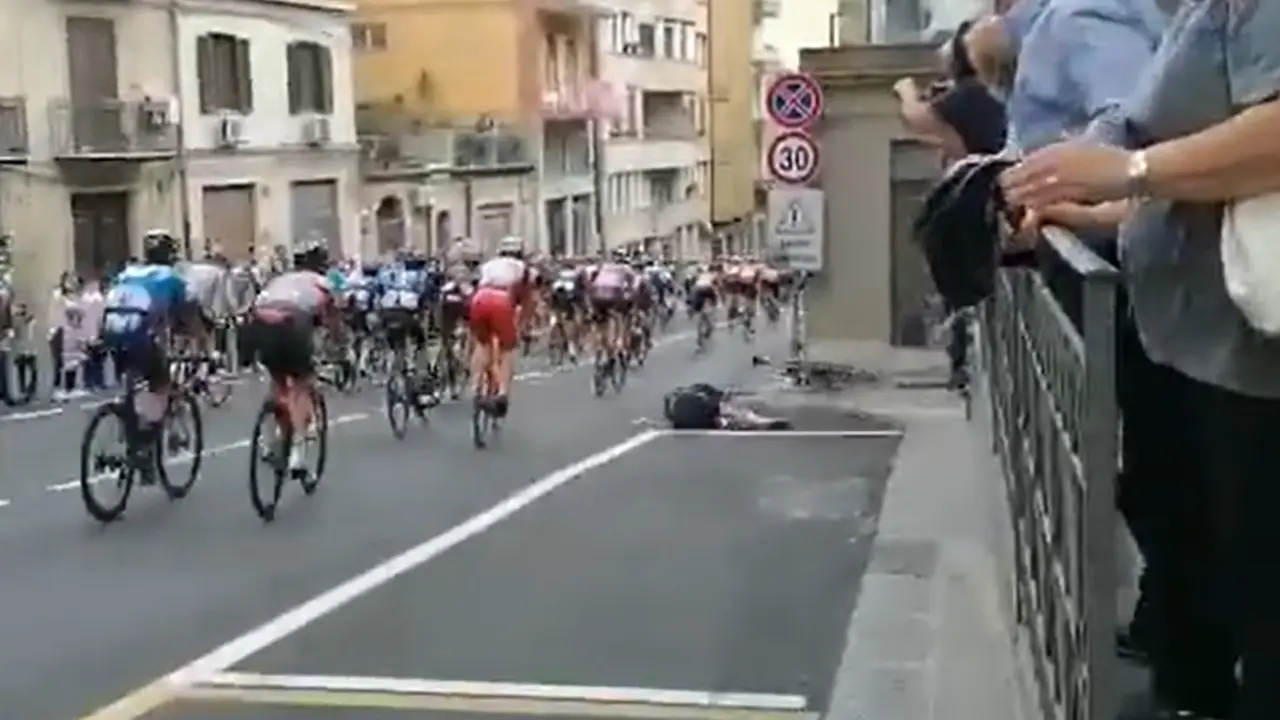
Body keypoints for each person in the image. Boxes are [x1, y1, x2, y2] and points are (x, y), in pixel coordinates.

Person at [1001, 4, 1280, 717]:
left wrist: (1129, 168)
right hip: (1200, 351)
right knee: (1207, 576)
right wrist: (1086, 206)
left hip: (1251, 363)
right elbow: (1185, 183)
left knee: (1259, 614)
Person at [99, 231, 189, 481]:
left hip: (112, 335)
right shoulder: (171, 277)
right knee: (161, 386)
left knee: (133, 385)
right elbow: (185, 317)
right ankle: (145, 444)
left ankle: (132, 436)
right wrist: (195, 343)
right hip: (142, 340)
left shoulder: (126, 273)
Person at [244, 241, 337, 479]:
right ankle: (298, 452)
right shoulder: (322, 282)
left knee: (277, 378)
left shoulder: (279, 280)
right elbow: (333, 323)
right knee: (302, 383)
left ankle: (271, 438)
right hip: (292, 325)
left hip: (259, 323)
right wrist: (339, 347)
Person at [468, 236, 530, 417]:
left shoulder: (487, 265)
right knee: (507, 350)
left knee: (482, 345)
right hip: (501, 301)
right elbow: (527, 299)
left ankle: (475, 387)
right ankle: (502, 393)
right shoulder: (522, 268)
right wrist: (524, 324)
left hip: (479, 299)